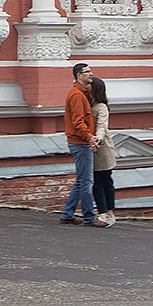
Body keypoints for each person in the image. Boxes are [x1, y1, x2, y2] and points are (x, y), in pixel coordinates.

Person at [60, 62, 108, 226]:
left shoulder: (81, 94)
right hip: (80, 143)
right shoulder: (78, 96)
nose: (91, 74)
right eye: (87, 72)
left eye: (91, 71)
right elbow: (78, 122)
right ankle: (89, 217)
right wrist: (89, 138)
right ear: (79, 75)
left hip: (80, 141)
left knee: (81, 180)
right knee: (87, 181)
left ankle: (67, 214)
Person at [90, 75, 117, 225]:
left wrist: (97, 138)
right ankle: (106, 212)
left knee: (102, 181)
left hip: (102, 147)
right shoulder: (89, 104)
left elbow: (102, 125)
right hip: (95, 145)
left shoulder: (101, 107)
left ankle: (106, 212)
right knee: (100, 181)